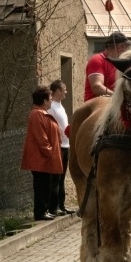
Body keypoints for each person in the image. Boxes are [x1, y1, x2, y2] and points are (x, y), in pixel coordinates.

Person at [21, 86, 63, 221]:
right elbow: (41, 138)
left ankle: (44, 210)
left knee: (45, 185)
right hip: (41, 159)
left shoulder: (41, 113)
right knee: (41, 186)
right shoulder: (37, 114)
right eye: (50, 99)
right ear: (44, 101)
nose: (51, 101)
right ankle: (40, 212)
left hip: (45, 158)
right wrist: (50, 152)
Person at [47, 80, 75, 216]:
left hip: (65, 144)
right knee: (55, 178)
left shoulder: (60, 105)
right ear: (57, 91)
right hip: (57, 145)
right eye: (64, 89)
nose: (66, 92)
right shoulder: (51, 106)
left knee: (62, 176)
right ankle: (53, 207)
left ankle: (61, 205)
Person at [84, 32, 131, 101]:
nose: (127, 50)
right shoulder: (97, 59)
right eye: (126, 47)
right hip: (96, 104)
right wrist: (117, 97)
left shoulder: (119, 63)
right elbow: (97, 87)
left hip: (113, 103)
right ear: (120, 47)